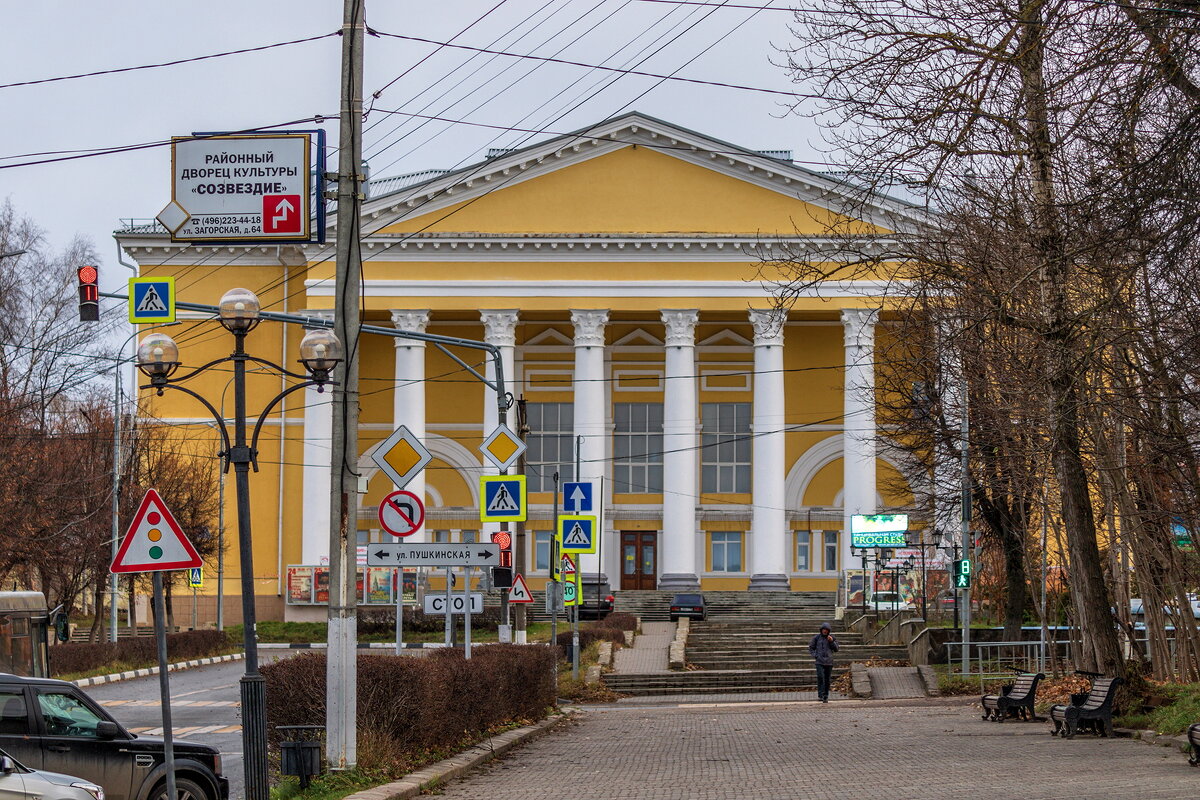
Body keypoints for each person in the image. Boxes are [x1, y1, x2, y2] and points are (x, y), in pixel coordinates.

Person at [808, 622, 839, 703]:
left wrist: (831, 642)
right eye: (823, 630)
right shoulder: (816, 638)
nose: (825, 631)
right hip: (819, 661)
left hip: (829, 662)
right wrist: (816, 655)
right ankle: (820, 694)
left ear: (828, 631)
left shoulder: (832, 638)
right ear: (821, 630)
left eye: (826, 630)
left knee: (827, 679)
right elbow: (811, 648)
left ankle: (825, 696)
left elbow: (836, 649)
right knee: (820, 677)